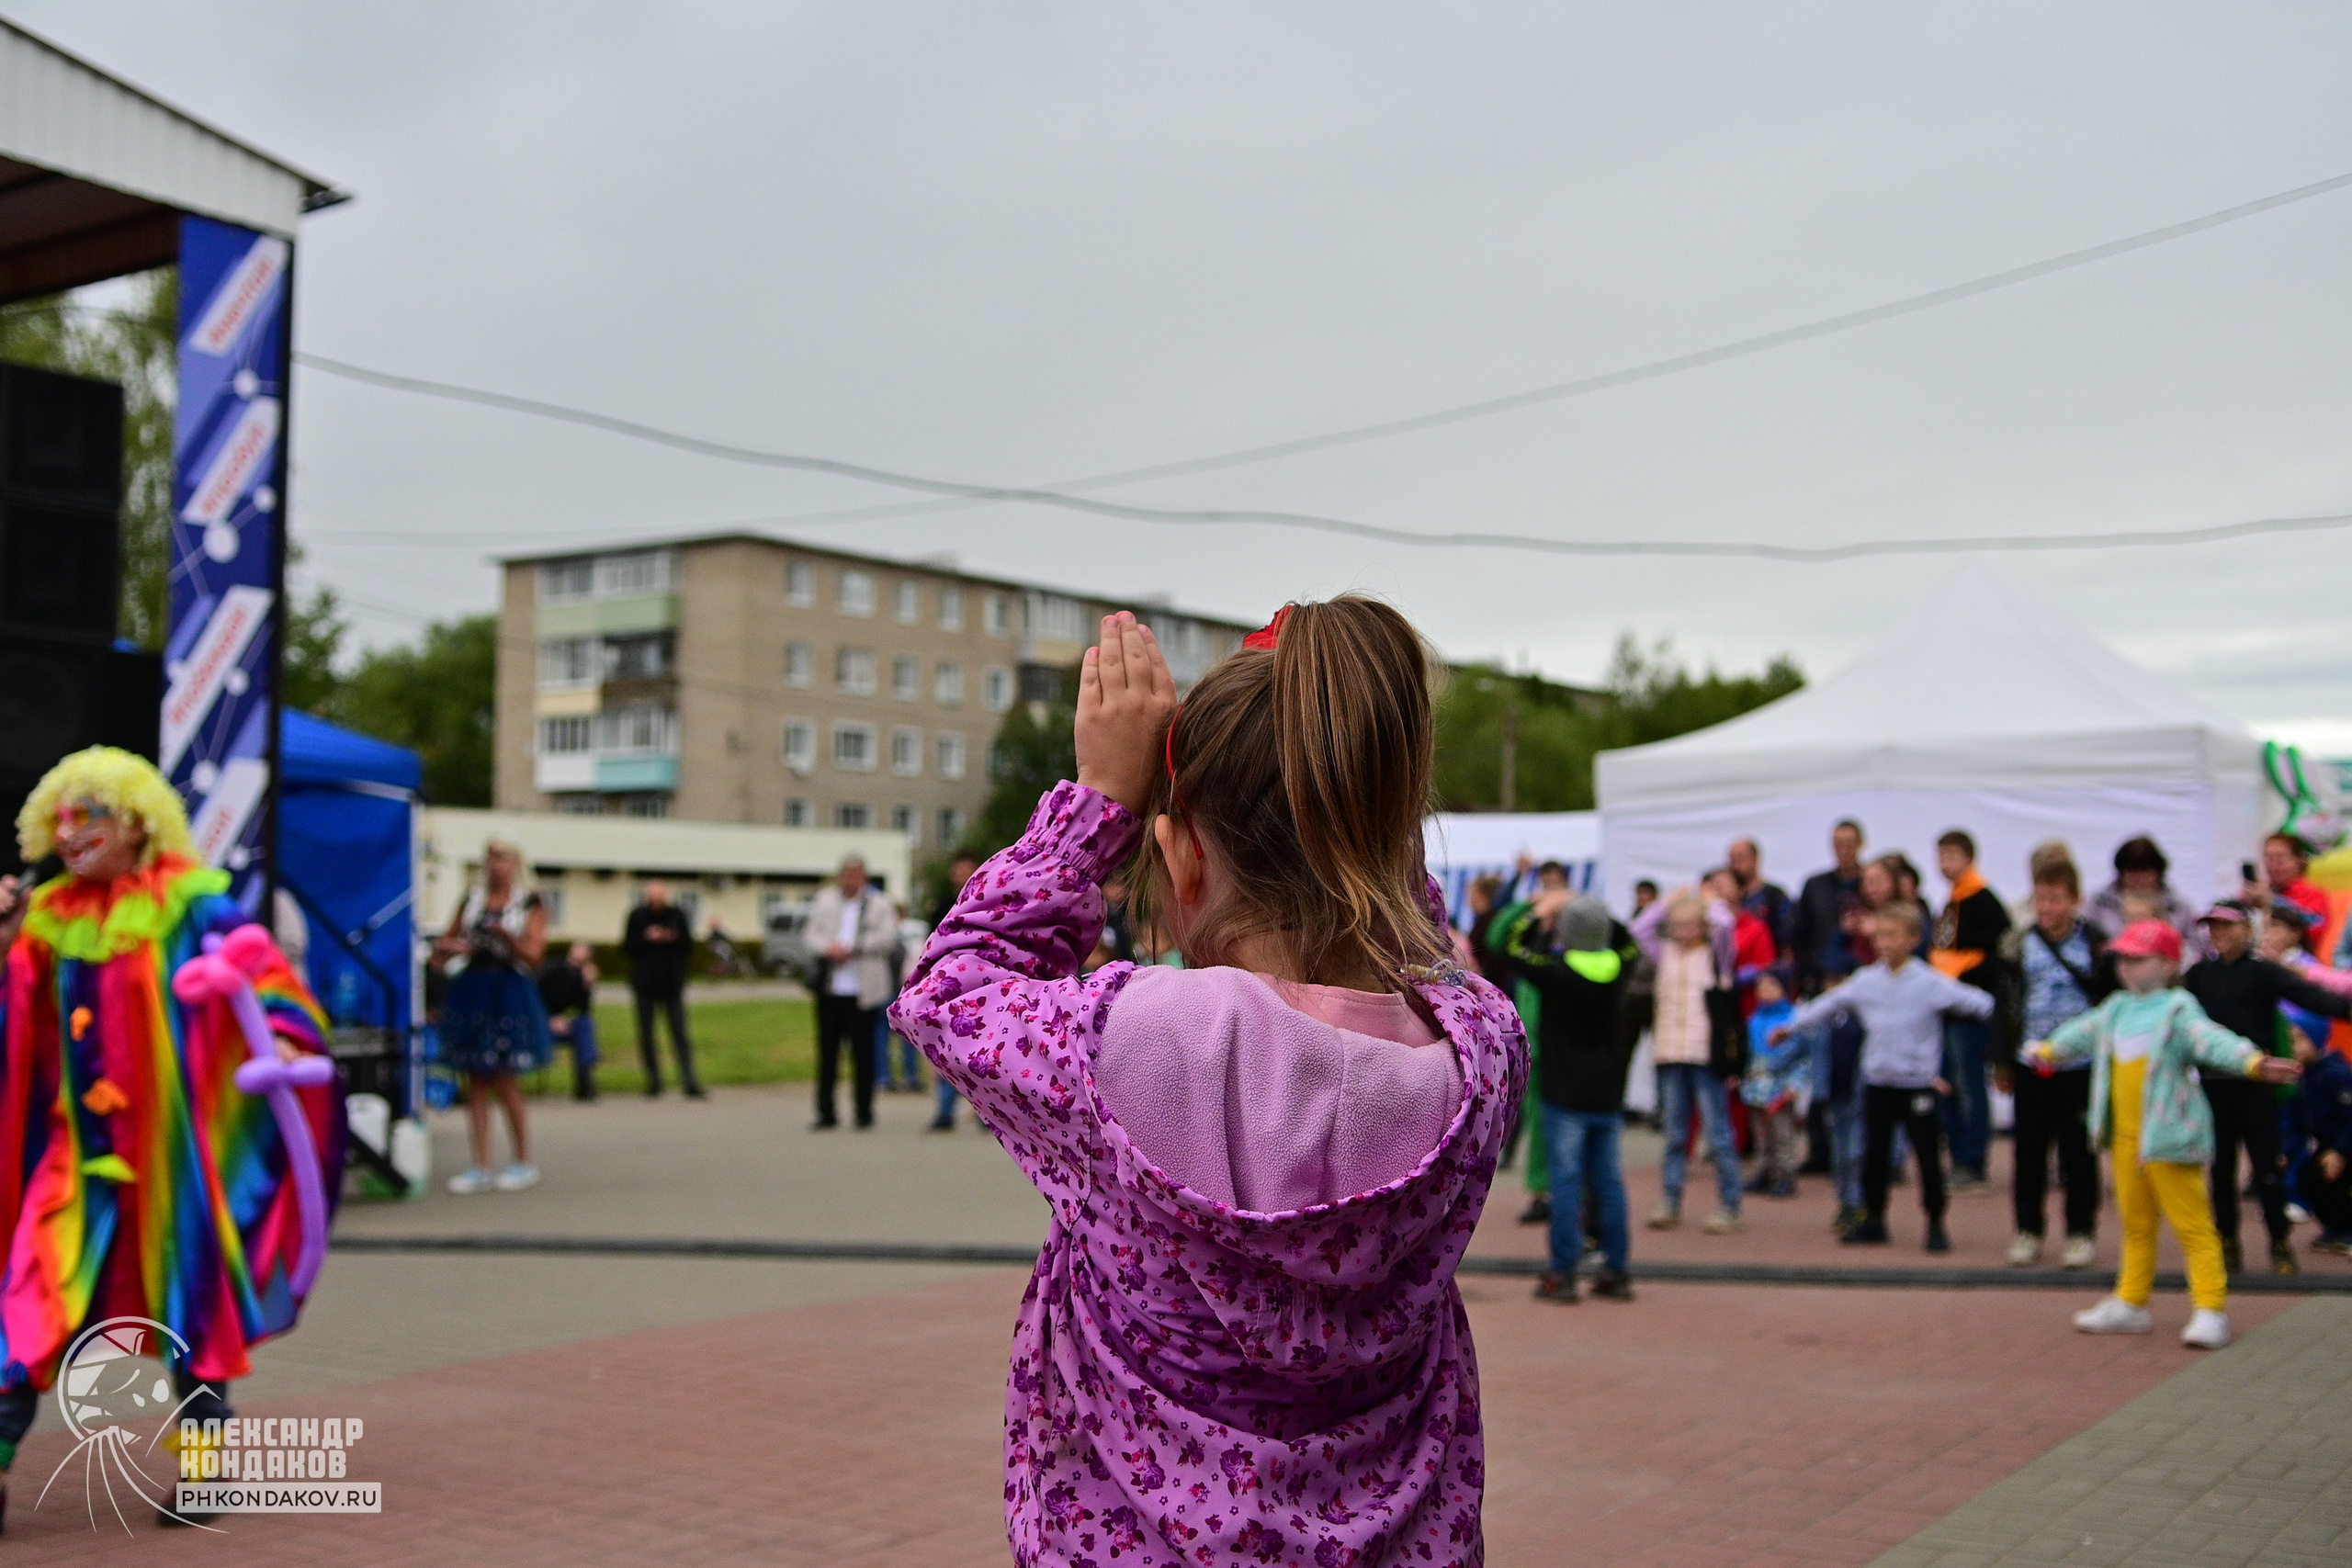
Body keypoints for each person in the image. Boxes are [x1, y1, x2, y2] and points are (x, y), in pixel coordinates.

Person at [889, 602, 1522, 1564]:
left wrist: (1100, 802)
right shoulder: (1478, 1050)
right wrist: (1350, 780)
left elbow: (952, 989)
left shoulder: (1128, 1041)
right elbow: (1418, 936)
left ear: (1181, 859)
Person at [0, 748, 335, 1521]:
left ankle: (206, 1467)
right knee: (30, 1294)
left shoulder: (193, 906)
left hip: (171, 1157)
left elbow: (266, 980)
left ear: (139, 825)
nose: (71, 828)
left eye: (92, 812)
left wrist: (283, 1036)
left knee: (189, 1313)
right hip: (73, 1153)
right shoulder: (46, 917)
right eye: (63, 813)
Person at [2027, 920, 2301, 1348]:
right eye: (2123, 958)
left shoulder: (2177, 1009)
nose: (2127, 967)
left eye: (2139, 958)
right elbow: (2081, 1031)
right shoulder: (2116, 1008)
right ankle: (2132, 1301)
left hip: (2169, 1137)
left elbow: (2210, 1040)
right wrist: (2047, 1049)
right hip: (2125, 1141)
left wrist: (2250, 1061)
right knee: (2135, 1225)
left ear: (2169, 963)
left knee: (2193, 1226)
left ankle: (2210, 1308)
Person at [1775, 901, 1995, 1252]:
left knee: (1926, 1158)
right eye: (1880, 936)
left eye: (1892, 936)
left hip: (1917, 1084)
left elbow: (1979, 1003)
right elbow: (1828, 1004)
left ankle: (1935, 1220)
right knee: (1873, 1156)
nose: (1884, 943)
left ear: (1913, 939)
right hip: (1878, 1083)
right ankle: (1874, 1219)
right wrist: (1790, 1027)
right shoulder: (1866, 981)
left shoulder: (1929, 983)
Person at [2182, 900, 2351, 1275]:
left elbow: (2309, 995)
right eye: (2212, 928)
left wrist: (2346, 1009)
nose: (2219, 934)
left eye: (2226, 926)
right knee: (2220, 1169)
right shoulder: (2198, 975)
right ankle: (2226, 1241)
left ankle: (2279, 1241)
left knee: (2267, 1169)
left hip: (2257, 1085)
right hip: (2213, 1086)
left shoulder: (2262, 973)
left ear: (2247, 929)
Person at [1503, 890, 1634, 1304]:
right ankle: (1616, 1270)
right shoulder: (1620, 966)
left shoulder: (1555, 972)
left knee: (1566, 1183)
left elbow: (1510, 947)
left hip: (1563, 1093)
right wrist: (1598, 911)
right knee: (1608, 1184)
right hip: (1607, 1093)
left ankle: (1563, 1272)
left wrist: (1536, 911)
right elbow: (1628, 940)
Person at [1993, 856, 2112, 1268]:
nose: (2046, 909)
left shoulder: (2096, 943)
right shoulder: (2017, 945)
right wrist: (2002, 1061)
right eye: (2040, 900)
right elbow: (2004, 1006)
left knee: (2078, 1153)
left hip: (2080, 1065)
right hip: (2031, 1064)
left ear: (2075, 900)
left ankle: (2080, 1232)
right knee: (2028, 1152)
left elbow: (2109, 998)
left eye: (2056, 900)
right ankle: (2028, 1230)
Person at [436, 839, 551, 1192]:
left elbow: (535, 954)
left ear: (516, 863)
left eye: (503, 858)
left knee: (506, 1076)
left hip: (509, 992)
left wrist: (508, 938)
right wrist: (453, 947)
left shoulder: (529, 902)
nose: (496, 865)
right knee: (477, 1077)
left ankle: (522, 1160)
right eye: (491, 858)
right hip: (473, 988)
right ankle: (480, 1164)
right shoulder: (471, 900)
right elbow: (445, 940)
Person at [1632, 890, 1743, 1234]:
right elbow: (1639, 930)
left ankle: (1729, 1205)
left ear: (1703, 926)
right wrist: (1666, 902)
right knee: (1676, 1134)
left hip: (1705, 1055)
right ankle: (1670, 1201)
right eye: (1675, 925)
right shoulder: (1663, 955)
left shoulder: (1716, 956)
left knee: (1719, 1132)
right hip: (1670, 1053)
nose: (1681, 931)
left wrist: (1711, 901)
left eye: (1689, 924)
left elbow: (1726, 926)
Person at [1929, 830, 2009, 1192]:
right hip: (1947, 1006)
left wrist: (1961, 973)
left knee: (1969, 1084)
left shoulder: (1982, 900)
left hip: (1969, 1009)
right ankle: (1958, 1156)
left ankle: (1973, 1160)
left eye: (1951, 855)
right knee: (1949, 1083)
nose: (1945, 863)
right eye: (1941, 855)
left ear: (1969, 857)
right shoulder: (1952, 900)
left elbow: (1999, 954)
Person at [808, 856, 897, 1130]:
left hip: (863, 991)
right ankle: (826, 1111)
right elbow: (811, 934)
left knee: (863, 1053)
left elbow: (888, 938)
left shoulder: (879, 904)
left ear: (864, 878)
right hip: (831, 989)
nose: (851, 880)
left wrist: (855, 947)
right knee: (828, 1052)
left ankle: (864, 1111)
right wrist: (829, 949)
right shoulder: (825, 901)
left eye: (856, 875)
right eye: (846, 874)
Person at [621, 881, 701, 1099]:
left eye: (660, 896)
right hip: (645, 984)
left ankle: (689, 1079)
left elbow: (688, 945)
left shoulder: (677, 915)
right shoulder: (637, 916)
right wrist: (647, 937)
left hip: (672, 983)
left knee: (679, 1032)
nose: (656, 901)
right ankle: (654, 1081)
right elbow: (627, 946)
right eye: (652, 897)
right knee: (647, 1034)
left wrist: (670, 937)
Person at [925, 852, 983, 1132]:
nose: (961, 876)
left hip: (981, 986)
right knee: (946, 1049)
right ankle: (945, 1111)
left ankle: (988, 1114)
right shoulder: (943, 908)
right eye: (957, 870)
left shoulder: (988, 903)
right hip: (949, 986)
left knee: (982, 1053)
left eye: (966, 870)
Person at [2284, 1027, 2352, 1256]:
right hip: (2328, 1145)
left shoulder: (2335, 1074)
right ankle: (2337, 1228)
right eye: (2290, 1042)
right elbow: (2296, 1122)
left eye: (2299, 1040)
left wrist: (2340, 1153)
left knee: (2332, 1174)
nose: (2294, 1048)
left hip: (2345, 1143)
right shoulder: (2305, 1076)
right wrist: (2285, 1151)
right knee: (2308, 1174)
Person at [1741, 972, 1807, 1197]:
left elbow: (1801, 1058)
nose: (1765, 991)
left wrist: (1794, 1085)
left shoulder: (1793, 1019)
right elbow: (1749, 1053)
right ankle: (1765, 1170)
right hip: (1757, 1084)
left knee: (1782, 1133)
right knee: (1761, 1133)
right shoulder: (1754, 1019)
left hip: (1781, 1085)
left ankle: (1785, 1174)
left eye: (1772, 986)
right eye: (1761, 987)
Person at [1791, 820, 1866, 998]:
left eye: (1849, 843)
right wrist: (1806, 974)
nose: (1844, 849)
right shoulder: (1815, 885)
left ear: (1860, 844)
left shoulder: (1871, 884)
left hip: (1864, 974)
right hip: (1822, 977)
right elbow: (1799, 932)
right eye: (1839, 844)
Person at [537, 940, 602, 1102]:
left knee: (584, 1024)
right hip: (541, 1023)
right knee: (583, 1026)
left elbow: (582, 1010)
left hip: (562, 1025)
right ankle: (587, 1078)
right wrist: (550, 1019)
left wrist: (587, 985)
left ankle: (584, 1082)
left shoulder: (581, 977)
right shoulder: (551, 968)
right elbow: (534, 998)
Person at [2246, 832, 2330, 956]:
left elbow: (2314, 928)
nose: (2274, 866)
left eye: (2280, 858)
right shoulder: (2260, 891)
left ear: (2299, 860)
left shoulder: (2313, 894)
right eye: (2268, 858)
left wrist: (2274, 901)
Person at [1726, 837, 1792, 959]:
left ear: (1755, 858)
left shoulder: (1774, 895)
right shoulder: (1726, 899)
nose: (1735, 865)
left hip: (1767, 964)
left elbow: (1787, 936)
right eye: (1732, 859)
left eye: (1740, 858)